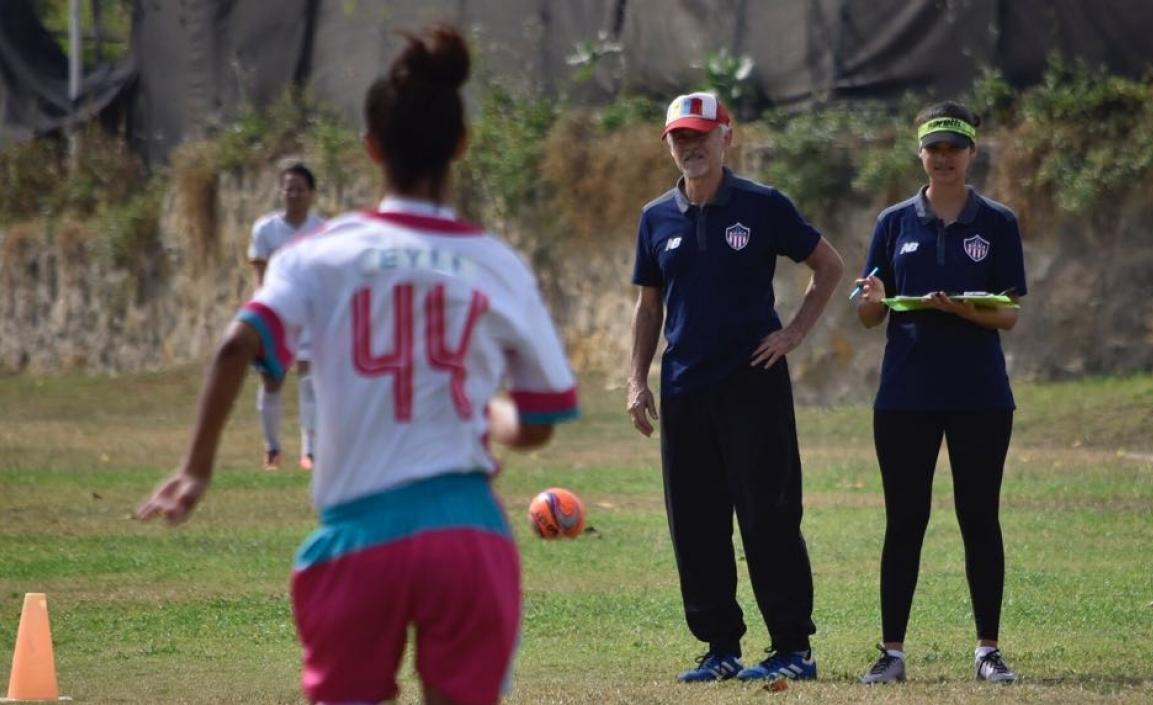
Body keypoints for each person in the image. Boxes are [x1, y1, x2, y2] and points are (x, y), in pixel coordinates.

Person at [137, 25, 579, 705]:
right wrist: (489, 411)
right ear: (461, 144)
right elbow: (543, 416)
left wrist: (196, 468)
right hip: (465, 533)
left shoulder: (321, 254)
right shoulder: (496, 262)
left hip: (356, 536)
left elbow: (236, 344)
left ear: (372, 148)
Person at [626, 91, 844, 683]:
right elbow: (650, 308)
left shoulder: (762, 205)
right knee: (695, 522)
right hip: (684, 389)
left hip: (753, 383)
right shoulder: (656, 218)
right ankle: (720, 647)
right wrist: (636, 382)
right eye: (679, 137)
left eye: (701, 134)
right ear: (667, 143)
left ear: (728, 135)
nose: (690, 146)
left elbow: (828, 265)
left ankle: (792, 649)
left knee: (768, 516)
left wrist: (794, 332)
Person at [853, 101, 1026, 684]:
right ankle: (892, 652)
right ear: (920, 153)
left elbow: (1008, 316)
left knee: (980, 517)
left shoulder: (997, 222)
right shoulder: (893, 223)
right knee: (905, 520)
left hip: (979, 394)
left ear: (972, 153)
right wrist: (873, 302)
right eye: (934, 148)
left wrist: (962, 310)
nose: (944, 158)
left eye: (955, 147)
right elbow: (870, 313)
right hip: (905, 395)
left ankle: (987, 651)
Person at [247, 163, 324, 470]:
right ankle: (273, 449)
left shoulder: (321, 229)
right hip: (276, 313)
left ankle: (310, 451)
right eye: (288, 188)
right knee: (272, 379)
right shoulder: (266, 229)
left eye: (299, 189)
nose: (293, 194)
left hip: (310, 315)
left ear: (311, 194)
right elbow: (258, 273)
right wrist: (265, 309)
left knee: (308, 378)